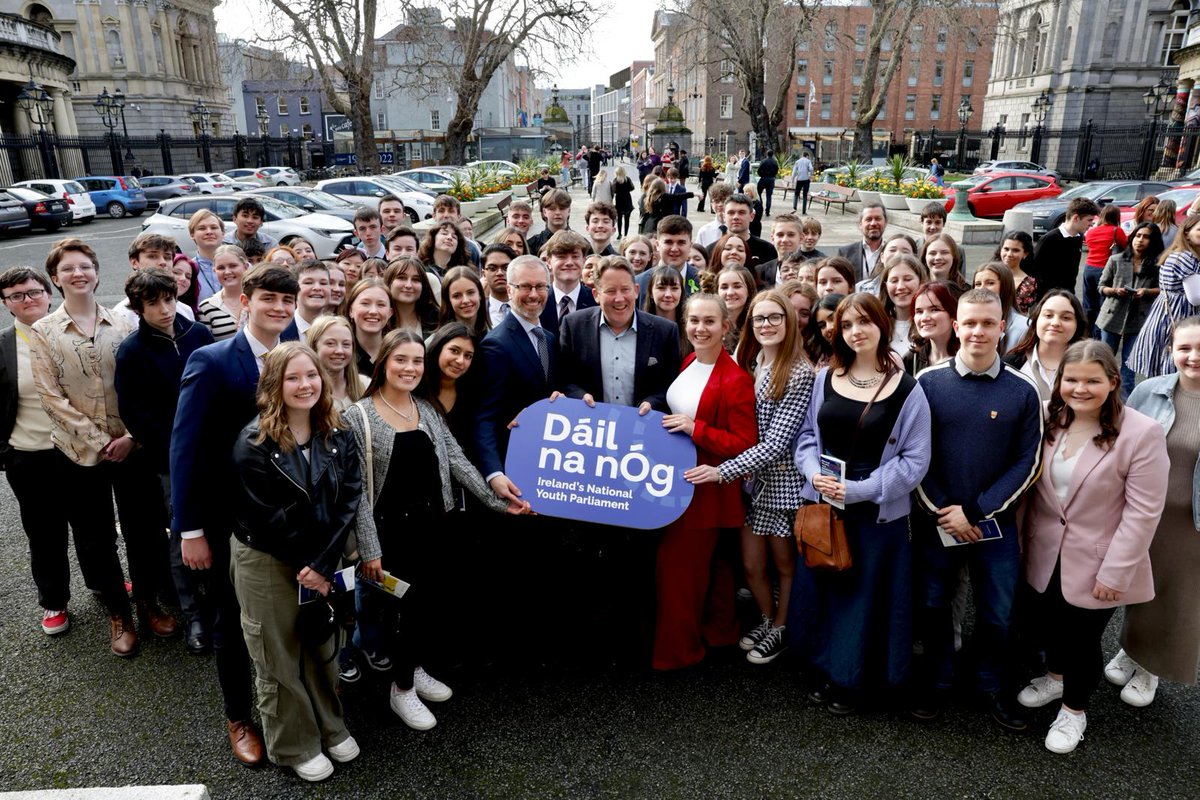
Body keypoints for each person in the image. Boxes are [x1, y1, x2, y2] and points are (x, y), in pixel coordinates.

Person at [348, 330, 526, 727]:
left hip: (434, 525)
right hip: (390, 533)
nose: (409, 369)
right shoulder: (357, 416)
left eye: (416, 362)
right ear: (384, 364)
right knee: (398, 613)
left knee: (428, 607)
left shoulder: (425, 409)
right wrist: (370, 548)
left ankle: (414, 669)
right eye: (401, 360)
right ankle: (402, 690)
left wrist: (499, 502)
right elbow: (357, 492)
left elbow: (458, 462)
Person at [170, 264, 301, 765]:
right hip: (227, 519)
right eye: (269, 298)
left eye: (287, 301)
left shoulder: (295, 358)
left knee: (284, 614)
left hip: (287, 513)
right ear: (245, 300)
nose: (279, 309)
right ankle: (238, 716)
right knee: (231, 620)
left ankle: (289, 704)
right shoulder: (213, 360)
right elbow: (185, 449)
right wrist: (190, 529)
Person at [1016, 341, 1167, 754]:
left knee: (1082, 641)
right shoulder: (1049, 416)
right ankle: (1054, 676)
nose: (1080, 389)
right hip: (1044, 549)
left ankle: (1074, 711)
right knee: (1048, 626)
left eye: (1092, 381)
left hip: (1100, 558)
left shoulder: (1141, 432)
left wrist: (1116, 572)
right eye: (1072, 379)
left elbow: (1143, 512)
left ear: (1113, 382)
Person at [30, 238, 176, 658]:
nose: (78, 274)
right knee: (95, 537)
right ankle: (119, 613)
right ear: (56, 279)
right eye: (68, 269)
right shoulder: (44, 331)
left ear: (97, 272)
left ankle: (147, 601)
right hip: (78, 452)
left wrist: (131, 437)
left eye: (85, 266)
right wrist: (101, 441)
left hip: (132, 446)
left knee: (144, 531)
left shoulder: (125, 322)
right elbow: (50, 397)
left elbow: (143, 387)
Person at [792, 292, 931, 714]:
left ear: (881, 326)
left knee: (864, 601)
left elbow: (915, 461)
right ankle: (828, 669)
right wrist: (811, 471)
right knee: (828, 592)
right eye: (847, 325)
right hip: (826, 509)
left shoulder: (908, 390)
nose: (855, 332)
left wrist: (860, 489)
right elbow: (807, 439)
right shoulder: (825, 378)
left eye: (863, 323)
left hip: (876, 514)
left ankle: (857, 681)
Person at [230, 343, 363, 780]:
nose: (304, 385)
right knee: (278, 654)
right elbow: (264, 518)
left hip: (320, 557)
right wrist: (311, 565)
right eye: (292, 377)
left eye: (311, 375)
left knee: (321, 644)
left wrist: (323, 565)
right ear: (274, 385)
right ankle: (294, 744)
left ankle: (330, 725)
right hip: (268, 558)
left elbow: (349, 498)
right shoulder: (253, 442)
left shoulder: (338, 432)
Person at [912, 288, 1043, 728]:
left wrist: (977, 510)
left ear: (1003, 326)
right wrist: (945, 509)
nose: (978, 331)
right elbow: (915, 455)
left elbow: (1028, 461)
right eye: (969, 322)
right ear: (955, 325)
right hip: (938, 520)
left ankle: (991, 684)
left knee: (997, 610)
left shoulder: (1021, 390)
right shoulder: (927, 384)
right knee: (932, 604)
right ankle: (937, 679)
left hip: (995, 525)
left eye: (988, 323)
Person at [687, 289, 813, 665]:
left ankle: (781, 627)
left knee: (784, 566)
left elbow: (775, 445)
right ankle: (766, 617)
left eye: (775, 317)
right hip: (753, 484)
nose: (766, 324)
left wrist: (721, 470)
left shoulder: (800, 372)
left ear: (789, 321)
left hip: (782, 487)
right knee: (753, 565)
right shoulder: (758, 361)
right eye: (759, 319)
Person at [653, 293, 757, 670]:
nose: (701, 328)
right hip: (678, 480)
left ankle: (677, 652)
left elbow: (746, 444)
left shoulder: (735, 380)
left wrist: (698, 430)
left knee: (678, 570)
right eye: (694, 320)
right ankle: (719, 632)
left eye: (710, 321)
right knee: (704, 569)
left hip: (708, 489)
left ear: (726, 327)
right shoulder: (688, 361)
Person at [114, 267, 215, 654]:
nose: (165, 309)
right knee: (182, 536)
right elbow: (135, 414)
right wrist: (174, 452)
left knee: (221, 530)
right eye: (153, 303)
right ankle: (194, 615)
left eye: (169, 299)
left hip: (214, 453)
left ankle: (223, 607)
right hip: (171, 462)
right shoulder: (132, 351)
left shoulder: (200, 335)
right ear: (139, 308)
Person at [1113, 318, 1200, 708]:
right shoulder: (1148, 392)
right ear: (1170, 351)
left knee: (1172, 595)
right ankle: (1129, 650)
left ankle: (1150, 667)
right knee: (1137, 588)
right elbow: (1121, 447)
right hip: (1144, 512)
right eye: (1184, 348)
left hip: (1190, 523)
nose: (1193, 357)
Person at [2, 267, 91, 637]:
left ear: (49, 293)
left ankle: (102, 582)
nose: (28, 299)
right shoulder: (4, 346)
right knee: (44, 532)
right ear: (6, 304)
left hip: (80, 451)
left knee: (91, 526)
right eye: (17, 295)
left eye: (34, 291)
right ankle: (54, 599)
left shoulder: (75, 331)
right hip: (29, 455)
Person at [1129, 214, 1200, 379]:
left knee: (1167, 370)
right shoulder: (1185, 257)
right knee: (1172, 371)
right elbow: (1195, 297)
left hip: (1168, 316)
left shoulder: (1183, 254)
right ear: (1187, 233)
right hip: (1177, 317)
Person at [1098, 222, 1164, 398]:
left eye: (1146, 237)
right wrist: (1114, 290)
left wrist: (1147, 292)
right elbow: (1101, 286)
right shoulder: (1116, 259)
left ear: (1154, 241)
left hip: (1139, 318)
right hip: (1112, 316)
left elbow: (1163, 289)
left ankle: (1126, 404)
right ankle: (1103, 398)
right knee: (1104, 361)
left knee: (1129, 365)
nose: (1140, 240)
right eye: (1138, 235)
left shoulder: (1157, 264)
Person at [1004, 290, 1088, 402]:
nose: (1055, 323)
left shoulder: (1089, 368)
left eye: (1066, 318)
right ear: (1036, 320)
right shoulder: (1010, 365)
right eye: (1048, 315)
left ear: (1078, 325)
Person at [1031, 197, 1101, 301]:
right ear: (1076, 218)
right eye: (1089, 220)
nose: (1091, 224)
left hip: (1068, 296)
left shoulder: (1078, 237)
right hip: (1047, 299)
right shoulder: (1049, 239)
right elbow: (1031, 268)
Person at [306, 315, 367, 412]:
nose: (339, 351)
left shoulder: (366, 385)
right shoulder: (306, 392)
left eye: (346, 344)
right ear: (314, 346)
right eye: (330, 343)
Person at [1083, 205, 1128, 333]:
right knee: (1103, 305)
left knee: (1088, 305)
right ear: (1116, 217)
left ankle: (1086, 332)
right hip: (1104, 270)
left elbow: (1089, 245)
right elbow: (1125, 247)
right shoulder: (1116, 231)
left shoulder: (1091, 231)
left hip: (1088, 268)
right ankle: (1098, 335)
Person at [971, 261, 1031, 353]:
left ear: (1005, 286)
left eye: (990, 283)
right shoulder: (967, 323)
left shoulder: (1024, 327)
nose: (982, 289)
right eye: (978, 284)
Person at [345, 277, 398, 377]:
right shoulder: (341, 353)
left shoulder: (398, 350)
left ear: (390, 313)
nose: (373, 311)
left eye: (381, 305)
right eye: (365, 304)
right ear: (351, 310)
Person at [878, 255, 930, 357]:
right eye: (894, 281)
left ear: (921, 282)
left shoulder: (930, 323)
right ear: (886, 286)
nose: (900, 287)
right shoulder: (877, 325)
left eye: (907, 279)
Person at [904, 281, 959, 375]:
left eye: (934, 309)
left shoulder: (969, 358)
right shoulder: (912, 359)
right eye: (919, 311)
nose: (925, 318)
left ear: (953, 314)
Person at [197, 245, 248, 341]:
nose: (227, 272)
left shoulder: (259, 299)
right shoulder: (206, 307)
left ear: (245, 267)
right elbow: (207, 346)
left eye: (233, 266)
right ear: (214, 271)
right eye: (221, 268)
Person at [383, 257, 439, 338]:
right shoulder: (378, 320)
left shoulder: (438, 321)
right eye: (401, 278)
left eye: (416, 279)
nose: (408, 285)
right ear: (389, 282)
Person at [722, 193, 777, 270]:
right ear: (724, 216)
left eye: (741, 213)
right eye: (731, 213)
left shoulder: (767, 250)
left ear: (751, 216)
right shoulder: (713, 250)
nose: (736, 217)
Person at [837, 204, 888, 282]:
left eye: (878, 219)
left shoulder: (894, 252)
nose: (873, 223)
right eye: (868, 219)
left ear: (885, 223)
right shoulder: (845, 253)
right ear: (860, 224)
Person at [856, 231, 918, 296]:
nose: (898, 255)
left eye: (905, 251)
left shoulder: (923, 289)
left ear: (915, 258)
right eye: (892, 250)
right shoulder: (861, 288)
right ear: (882, 256)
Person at [438, 265, 490, 339]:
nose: (465, 300)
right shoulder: (436, 342)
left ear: (480, 294)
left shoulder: (494, 339)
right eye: (457, 296)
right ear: (448, 300)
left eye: (470, 292)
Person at [993, 231, 1037, 315]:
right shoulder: (988, 273)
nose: (1009, 254)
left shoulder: (1029, 283)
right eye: (1006, 249)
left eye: (1015, 250)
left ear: (1025, 254)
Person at [717, 266, 755, 353]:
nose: (730, 293)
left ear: (749, 290)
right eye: (724, 287)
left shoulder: (757, 324)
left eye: (737, 286)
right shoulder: (709, 324)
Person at [189, 209, 226, 298]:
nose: (209, 232)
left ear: (223, 233)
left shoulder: (240, 266)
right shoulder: (187, 269)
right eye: (202, 228)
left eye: (214, 227)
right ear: (192, 234)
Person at [289, 260, 330, 338]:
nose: (317, 288)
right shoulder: (279, 331)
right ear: (294, 287)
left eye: (323, 283)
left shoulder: (338, 330)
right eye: (308, 282)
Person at [526, 189, 572, 257]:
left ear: (569, 211)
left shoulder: (582, 243)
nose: (557, 213)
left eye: (562, 208)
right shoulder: (532, 244)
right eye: (552, 209)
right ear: (544, 212)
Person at [481, 243, 514, 328]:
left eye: (506, 268)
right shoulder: (478, 313)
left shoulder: (530, 301)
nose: (499, 273)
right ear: (483, 273)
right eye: (492, 268)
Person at [611, 167, 636, 238]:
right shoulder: (627, 179)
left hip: (619, 199)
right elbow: (632, 188)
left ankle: (619, 234)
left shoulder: (615, 180)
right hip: (627, 198)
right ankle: (626, 234)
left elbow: (613, 190)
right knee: (627, 218)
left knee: (619, 218)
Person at [756, 150, 779, 216]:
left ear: (766, 154)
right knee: (769, 196)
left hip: (763, 178)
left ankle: (760, 206)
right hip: (771, 179)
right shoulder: (775, 162)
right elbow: (777, 170)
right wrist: (773, 176)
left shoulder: (763, 161)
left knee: (758, 193)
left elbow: (759, 170)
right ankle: (767, 211)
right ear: (773, 154)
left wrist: (761, 175)